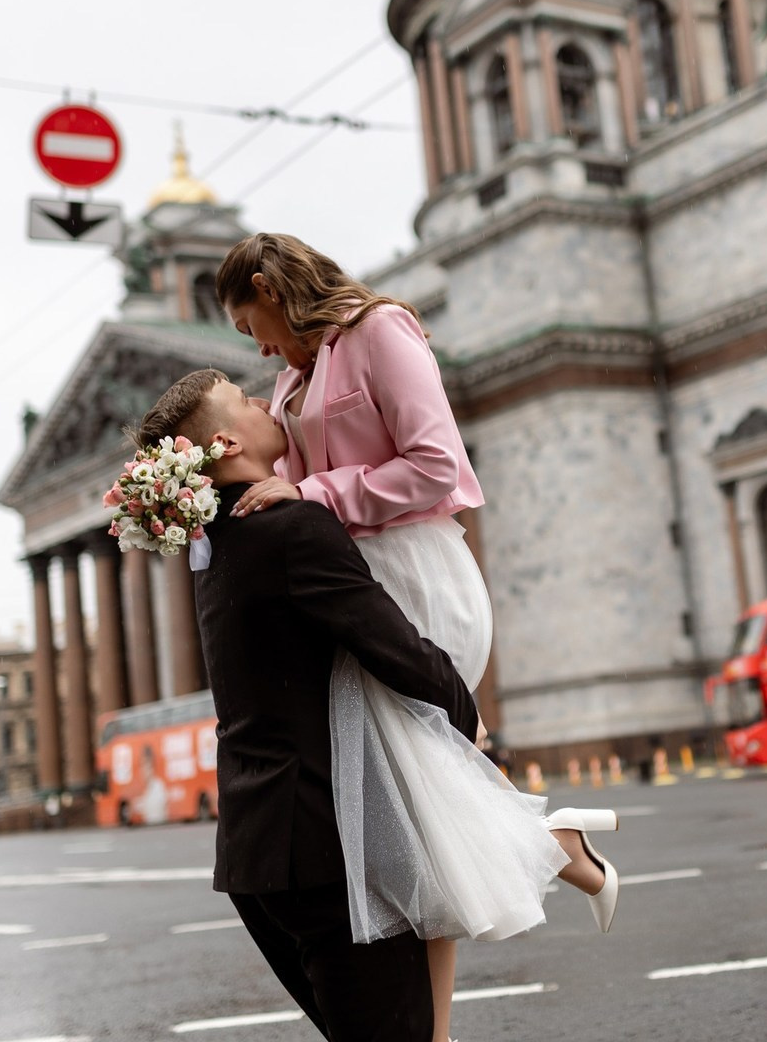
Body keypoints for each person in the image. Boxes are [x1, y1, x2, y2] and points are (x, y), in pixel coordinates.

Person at [214, 234, 618, 1042]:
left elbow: (440, 469)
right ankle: (552, 852)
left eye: (246, 320)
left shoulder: (382, 331)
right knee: (408, 828)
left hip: (415, 572)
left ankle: (556, 846)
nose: (253, 345)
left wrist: (314, 492)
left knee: (404, 815)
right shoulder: (293, 375)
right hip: (356, 585)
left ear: (269, 286)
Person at [129, 370, 482, 1042]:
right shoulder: (291, 528)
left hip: (255, 857)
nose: (266, 402)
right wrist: (468, 719)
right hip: (325, 851)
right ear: (228, 442)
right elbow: (394, 648)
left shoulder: (214, 547)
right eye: (245, 399)